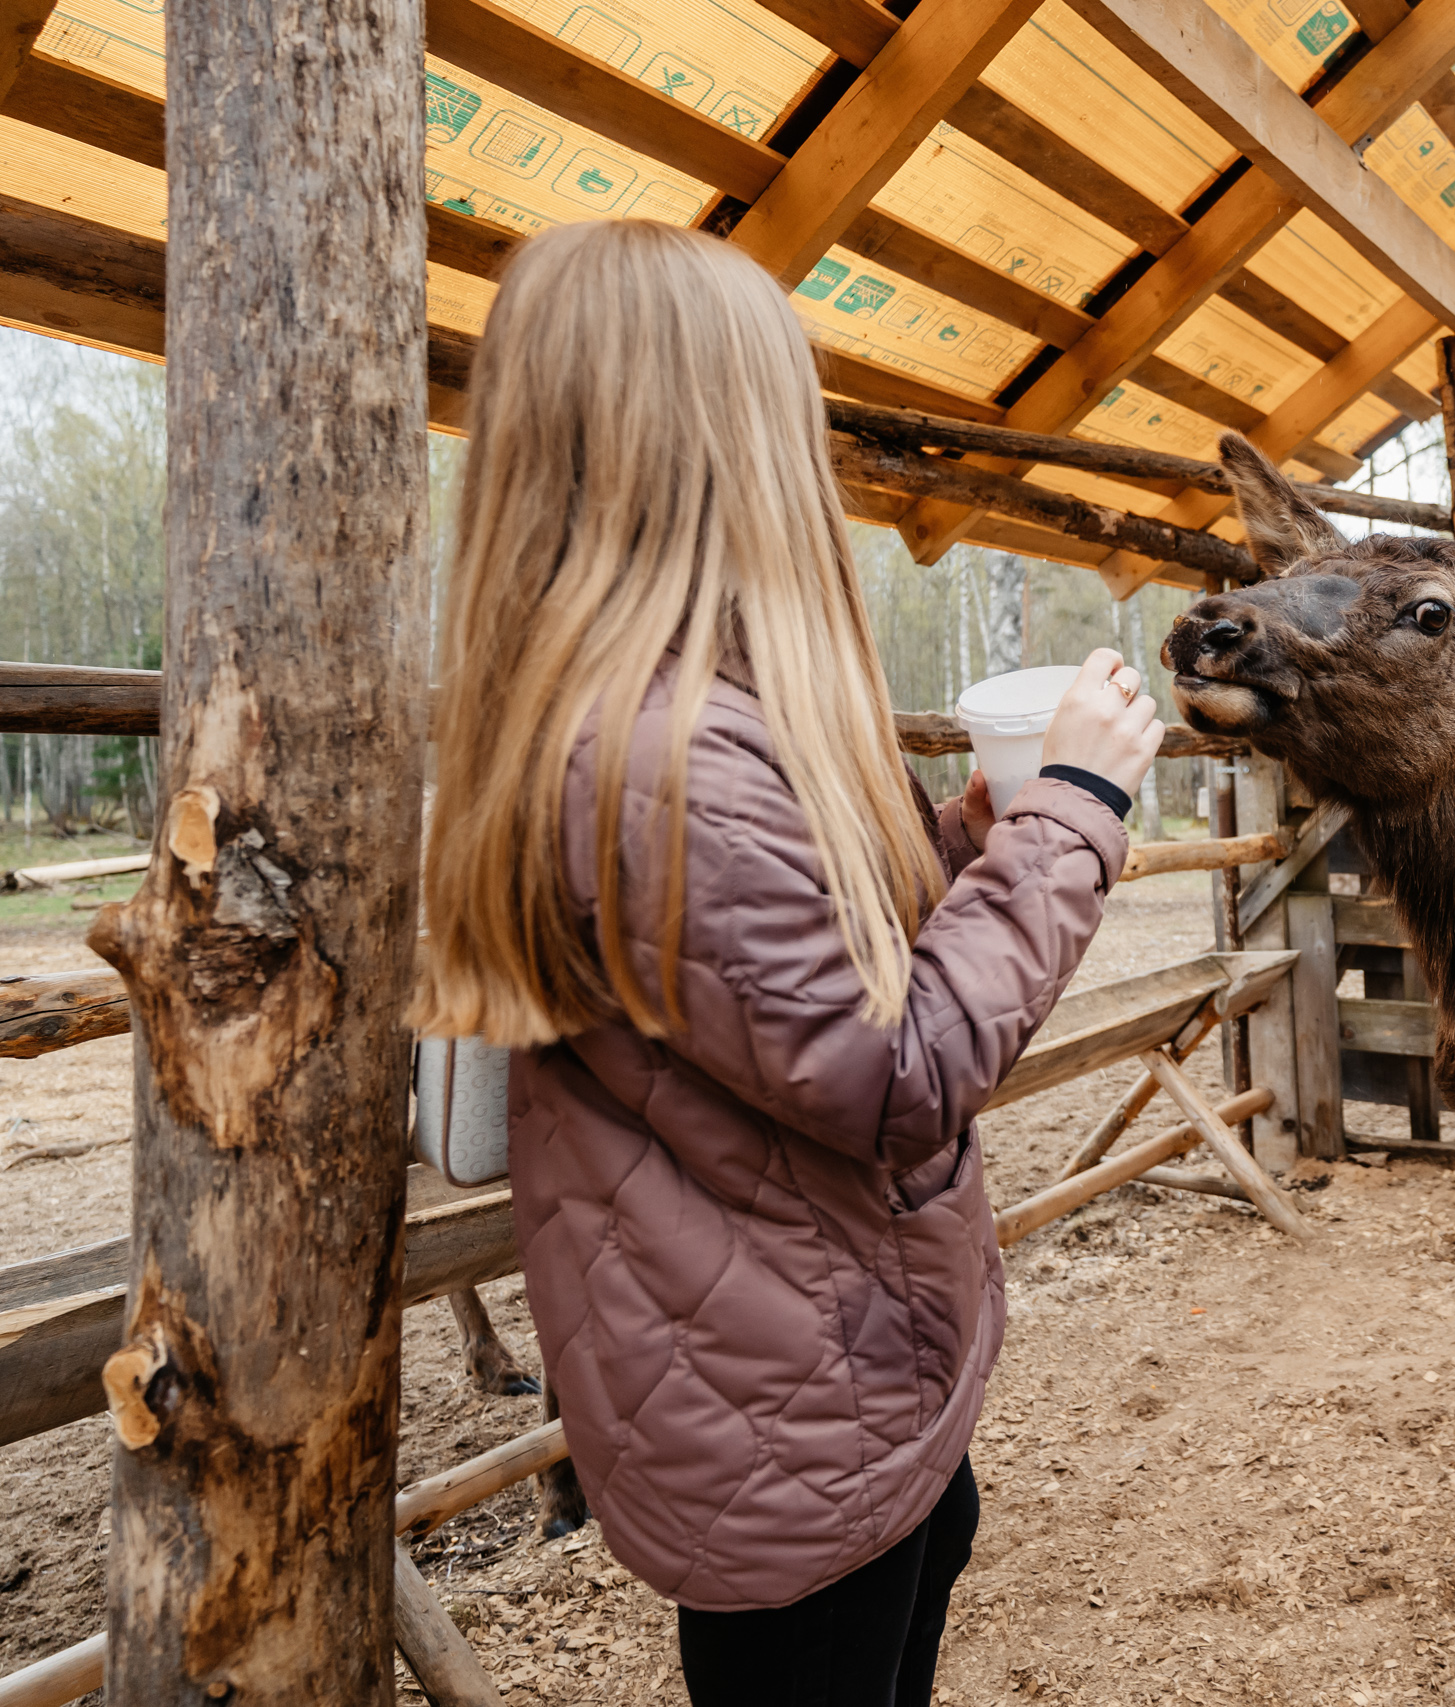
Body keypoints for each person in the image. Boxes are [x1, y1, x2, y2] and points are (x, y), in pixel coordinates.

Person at [411, 218, 1162, 1707]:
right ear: (710, 434)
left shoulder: (677, 717)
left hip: (822, 1374)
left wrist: (970, 834)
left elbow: (789, 976)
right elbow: (894, 1073)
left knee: (928, 1564)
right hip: (783, 1411)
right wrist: (1075, 817)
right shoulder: (653, 756)